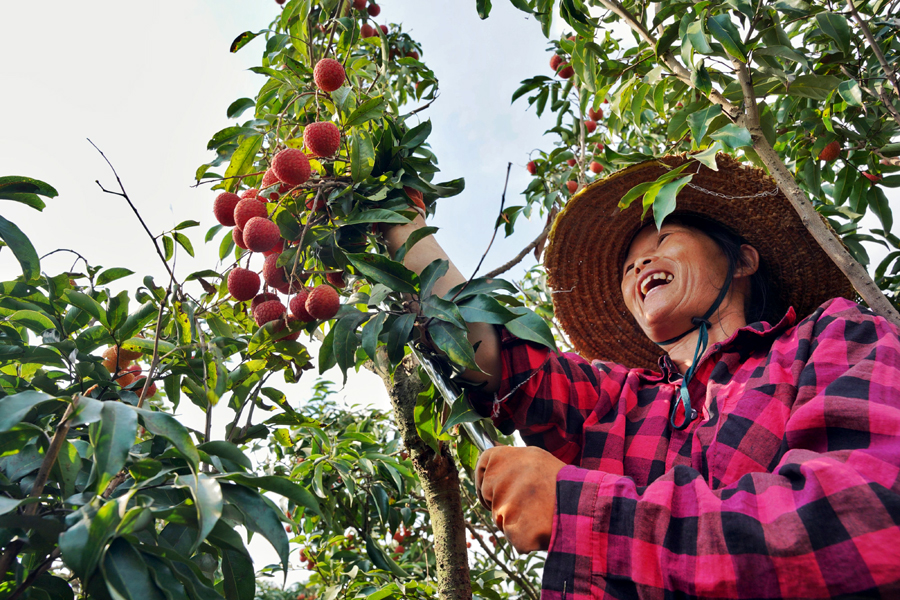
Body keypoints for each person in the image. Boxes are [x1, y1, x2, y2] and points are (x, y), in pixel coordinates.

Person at [384, 154, 900, 598]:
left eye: (664, 237)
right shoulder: (618, 401)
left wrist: (580, 509)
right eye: (627, 267)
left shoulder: (831, 338)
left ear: (742, 260)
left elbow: (866, 519)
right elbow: (493, 351)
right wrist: (397, 220)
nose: (637, 266)